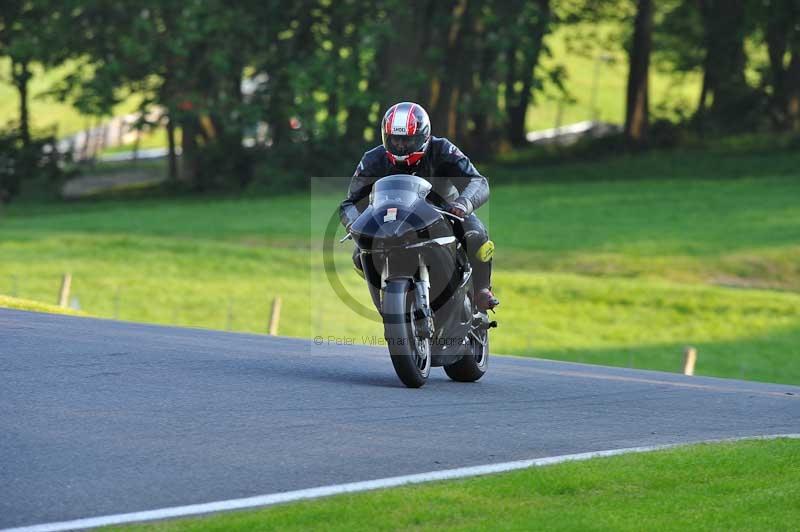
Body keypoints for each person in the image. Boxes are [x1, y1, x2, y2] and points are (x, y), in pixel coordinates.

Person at [340, 101, 499, 311]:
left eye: (407, 140)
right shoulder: (373, 159)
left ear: (424, 136)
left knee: (476, 234)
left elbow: (478, 182)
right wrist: (353, 222)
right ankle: (386, 297)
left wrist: (463, 203)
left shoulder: (443, 149)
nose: (401, 146)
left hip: (445, 214)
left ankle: (481, 290)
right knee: (359, 255)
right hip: (392, 221)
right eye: (395, 140)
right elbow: (350, 202)